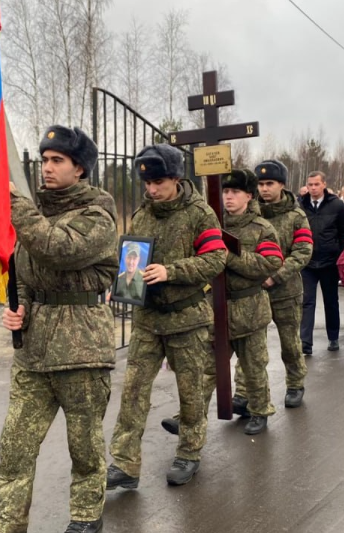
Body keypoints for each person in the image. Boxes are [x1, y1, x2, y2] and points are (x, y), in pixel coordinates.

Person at [0, 125, 118, 533]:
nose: (46, 168)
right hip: (34, 351)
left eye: (57, 161)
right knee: (16, 445)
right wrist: (19, 307)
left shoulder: (97, 215)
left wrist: (15, 205)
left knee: (84, 446)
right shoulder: (33, 213)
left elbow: (57, 250)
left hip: (82, 349)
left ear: (79, 168)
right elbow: (25, 272)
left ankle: (87, 518)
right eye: (44, 160)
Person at [106, 144, 227, 489]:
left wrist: (171, 271)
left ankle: (189, 453)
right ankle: (125, 464)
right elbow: (131, 259)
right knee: (132, 393)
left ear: (176, 178)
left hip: (186, 318)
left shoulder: (199, 214)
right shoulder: (143, 214)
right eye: (147, 183)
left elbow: (216, 258)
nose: (151, 189)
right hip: (148, 321)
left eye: (158, 182)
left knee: (190, 392)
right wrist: (122, 281)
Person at [202, 169, 284, 435]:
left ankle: (260, 411)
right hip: (216, 309)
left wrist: (230, 257)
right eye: (226, 191)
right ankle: (190, 418)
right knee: (208, 368)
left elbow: (270, 264)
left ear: (249, 195)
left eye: (235, 192)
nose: (229, 197)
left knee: (253, 366)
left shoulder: (262, 229)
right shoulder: (211, 226)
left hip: (249, 309)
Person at [239, 160, 313, 409]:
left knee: (289, 342)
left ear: (281, 184)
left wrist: (276, 276)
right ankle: (243, 392)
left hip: (285, 291)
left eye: (269, 183)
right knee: (249, 344)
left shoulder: (296, 216)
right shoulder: (249, 215)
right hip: (253, 291)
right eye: (260, 184)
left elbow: (303, 251)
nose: (264, 189)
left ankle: (295, 383)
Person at [299, 171, 344, 354]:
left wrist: (342, 256)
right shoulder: (300, 205)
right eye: (310, 184)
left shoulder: (336, 205)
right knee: (307, 301)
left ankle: (333, 337)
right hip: (307, 262)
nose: (313, 188)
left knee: (331, 301)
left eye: (316, 184)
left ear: (324, 184)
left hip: (330, 261)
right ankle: (305, 342)